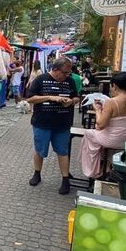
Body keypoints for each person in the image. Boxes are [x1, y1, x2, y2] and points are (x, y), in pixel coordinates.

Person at [25, 57, 80, 195]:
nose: (67, 75)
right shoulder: (40, 79)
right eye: (65, 72)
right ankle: (37, 173)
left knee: (63, 151)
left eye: (69, 73)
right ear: (55, 69)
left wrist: (71, 101)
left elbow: (77, 97)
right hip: (42, 122)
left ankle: (65, 179)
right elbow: (30, 98)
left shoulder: (70, 81)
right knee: (40, 149)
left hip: (63, 123)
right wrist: (50, 97)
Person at [79, 72, 126, 179]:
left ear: (114, 86)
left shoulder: (112, 102)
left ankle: (96, 169)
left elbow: (100, 125)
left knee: (89, 134)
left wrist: (98, 110)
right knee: (98, 136)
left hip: (115, 139)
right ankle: (107, 165)